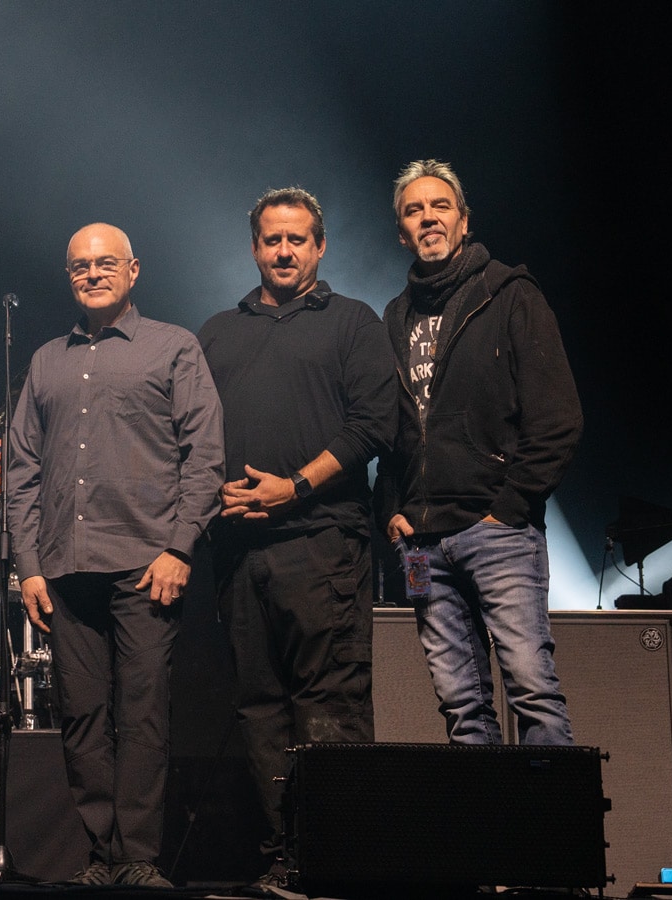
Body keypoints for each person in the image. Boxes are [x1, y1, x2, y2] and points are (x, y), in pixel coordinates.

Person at [8, 223, 224, 888]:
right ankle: (100, 858)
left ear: (134, 270)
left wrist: (180, 547)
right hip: (67, 569)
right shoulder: (45, 361)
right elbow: (18, 470)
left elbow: (206, 455)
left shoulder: (173, 348)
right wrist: (29, 565)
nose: (93, 273)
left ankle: (137, 859)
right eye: (80, 266)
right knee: (81, 718)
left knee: (142, 716)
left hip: (145, 566)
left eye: (106, 263)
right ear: (68, 276)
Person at [197, 188, 397, 889]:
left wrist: (296, 486)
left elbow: (375, 424)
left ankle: (336, 856)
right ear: (254, 246)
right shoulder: (217, 332)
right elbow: (188, 434)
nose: (284, 251)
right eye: (271, 240)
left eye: (298, 240)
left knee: (329, 704)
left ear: (320, 247)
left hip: (323, 544)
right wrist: (215, 487)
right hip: (237, 551)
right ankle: (285, 853)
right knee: (259, 706)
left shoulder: (352, 322)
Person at [375, 159, 583, 746]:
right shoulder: (394, 317)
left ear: (464, 220)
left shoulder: (510, 295)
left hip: (497, 532)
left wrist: (510, 507)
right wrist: (390, 507)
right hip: (419, 545)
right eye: (413, 211)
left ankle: (554, 835)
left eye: (439, 206)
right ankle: (490, 835)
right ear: (401, 233)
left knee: (532, 692)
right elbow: (388, 429)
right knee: (461, 707)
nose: (428, 218)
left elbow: (559, 419)